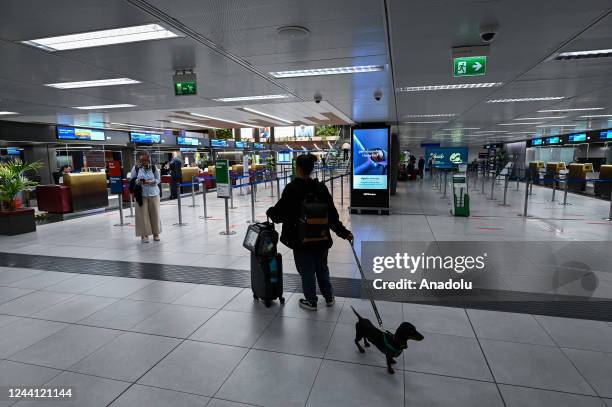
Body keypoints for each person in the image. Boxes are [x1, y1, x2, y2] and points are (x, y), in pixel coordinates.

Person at [266, 154, 353, 311]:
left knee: (306, 271)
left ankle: (311, 301)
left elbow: (279, 214)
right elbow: (332, 216)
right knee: (322, 268)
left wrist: (270, 212)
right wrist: (344, 232)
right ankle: (329, 297)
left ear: (298, 168)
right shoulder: (321, 188)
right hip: (321, 237)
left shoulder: (292, 188)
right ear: (312, 169)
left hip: (301, 240)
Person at [131, 153, 161, 243]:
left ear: (149, 160)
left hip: (153, 194)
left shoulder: (154, 168)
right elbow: (132, 179)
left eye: (145, 160)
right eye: (141, 160)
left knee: (155, 214)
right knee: (142, 215)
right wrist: (138, 181)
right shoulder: (136, 168)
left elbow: (158, 179)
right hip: (141, 195)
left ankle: (156, 233)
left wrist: (151, 182)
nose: (143, 162)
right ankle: (144, 235)